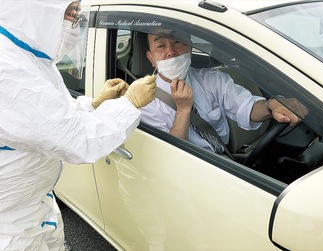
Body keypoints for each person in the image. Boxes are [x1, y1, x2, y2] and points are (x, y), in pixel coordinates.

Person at [0, 1, 155, 250]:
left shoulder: (29, 58)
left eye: (76, 15)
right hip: (10, 227)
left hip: (33, 208)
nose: (74, 25)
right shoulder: (7, 70)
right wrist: (129, 103)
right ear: (36, 9)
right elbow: (76, 140)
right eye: (70, 14)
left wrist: (94, 103)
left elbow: (51, 117)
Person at [140, 31, 307, 154]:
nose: (171, 51)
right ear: (151, 59)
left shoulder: (213, 79)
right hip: (185, 172)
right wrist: (183, 110)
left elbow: (246, 107)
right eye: (161, 45)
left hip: (221, 162)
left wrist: (272, 105)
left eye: (177, 41)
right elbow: (170, 155)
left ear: (190, 47)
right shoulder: (144, 101)